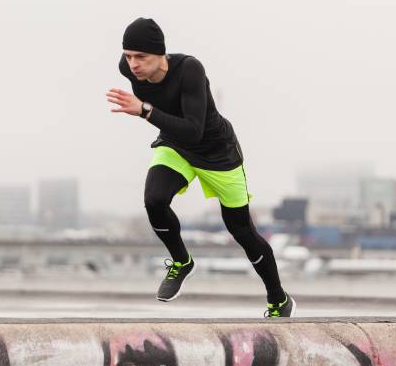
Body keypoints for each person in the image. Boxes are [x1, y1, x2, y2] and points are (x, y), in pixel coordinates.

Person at [105, 17, 296, 318]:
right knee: (154, 200)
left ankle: (279, 300)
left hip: (217, 152)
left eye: (141, 57)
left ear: (161, 55)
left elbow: (194, 130)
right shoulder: (126, 68)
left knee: (241, 230)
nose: (133, 65)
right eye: (128, 56)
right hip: (175, 146)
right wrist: (149, 112)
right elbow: (176, 130)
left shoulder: (189, 70)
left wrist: (144, 111)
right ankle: (182, 261)